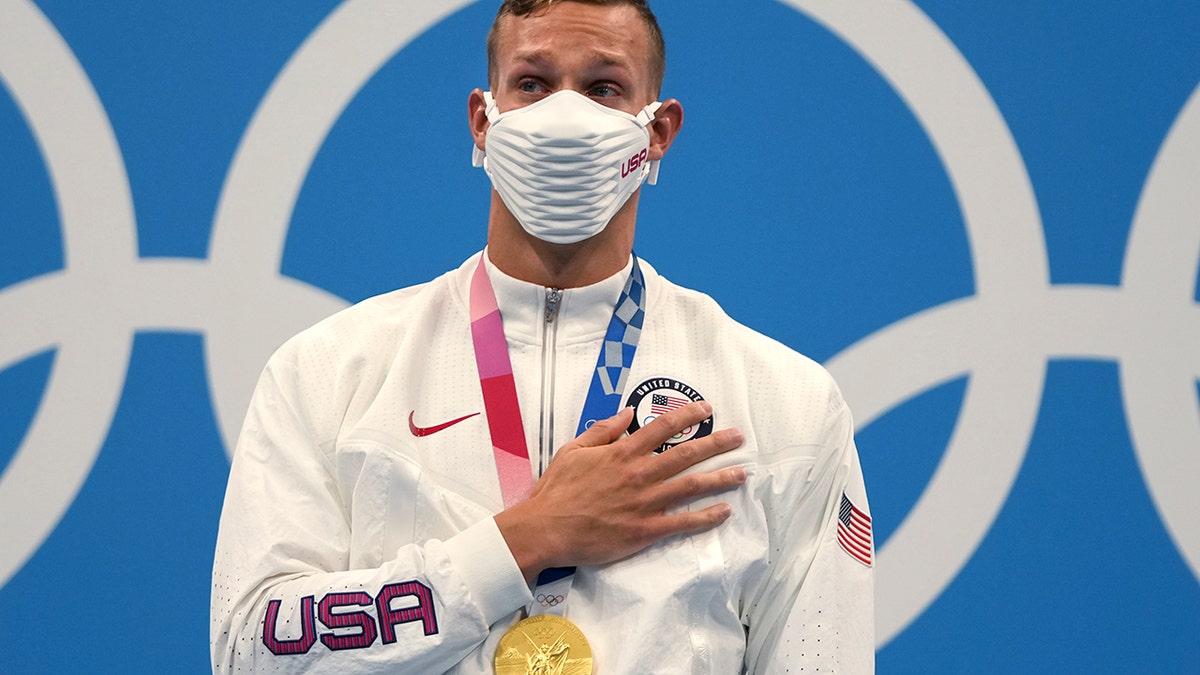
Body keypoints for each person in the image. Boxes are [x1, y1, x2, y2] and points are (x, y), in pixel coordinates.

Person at [210, 0, 874, 672]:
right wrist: (520, 542)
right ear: (483, 121)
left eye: (603, 88)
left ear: (659, 131)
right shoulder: (327, 372)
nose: (565, 115)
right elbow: (249, 650)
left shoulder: (785, 402)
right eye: (532, 82)